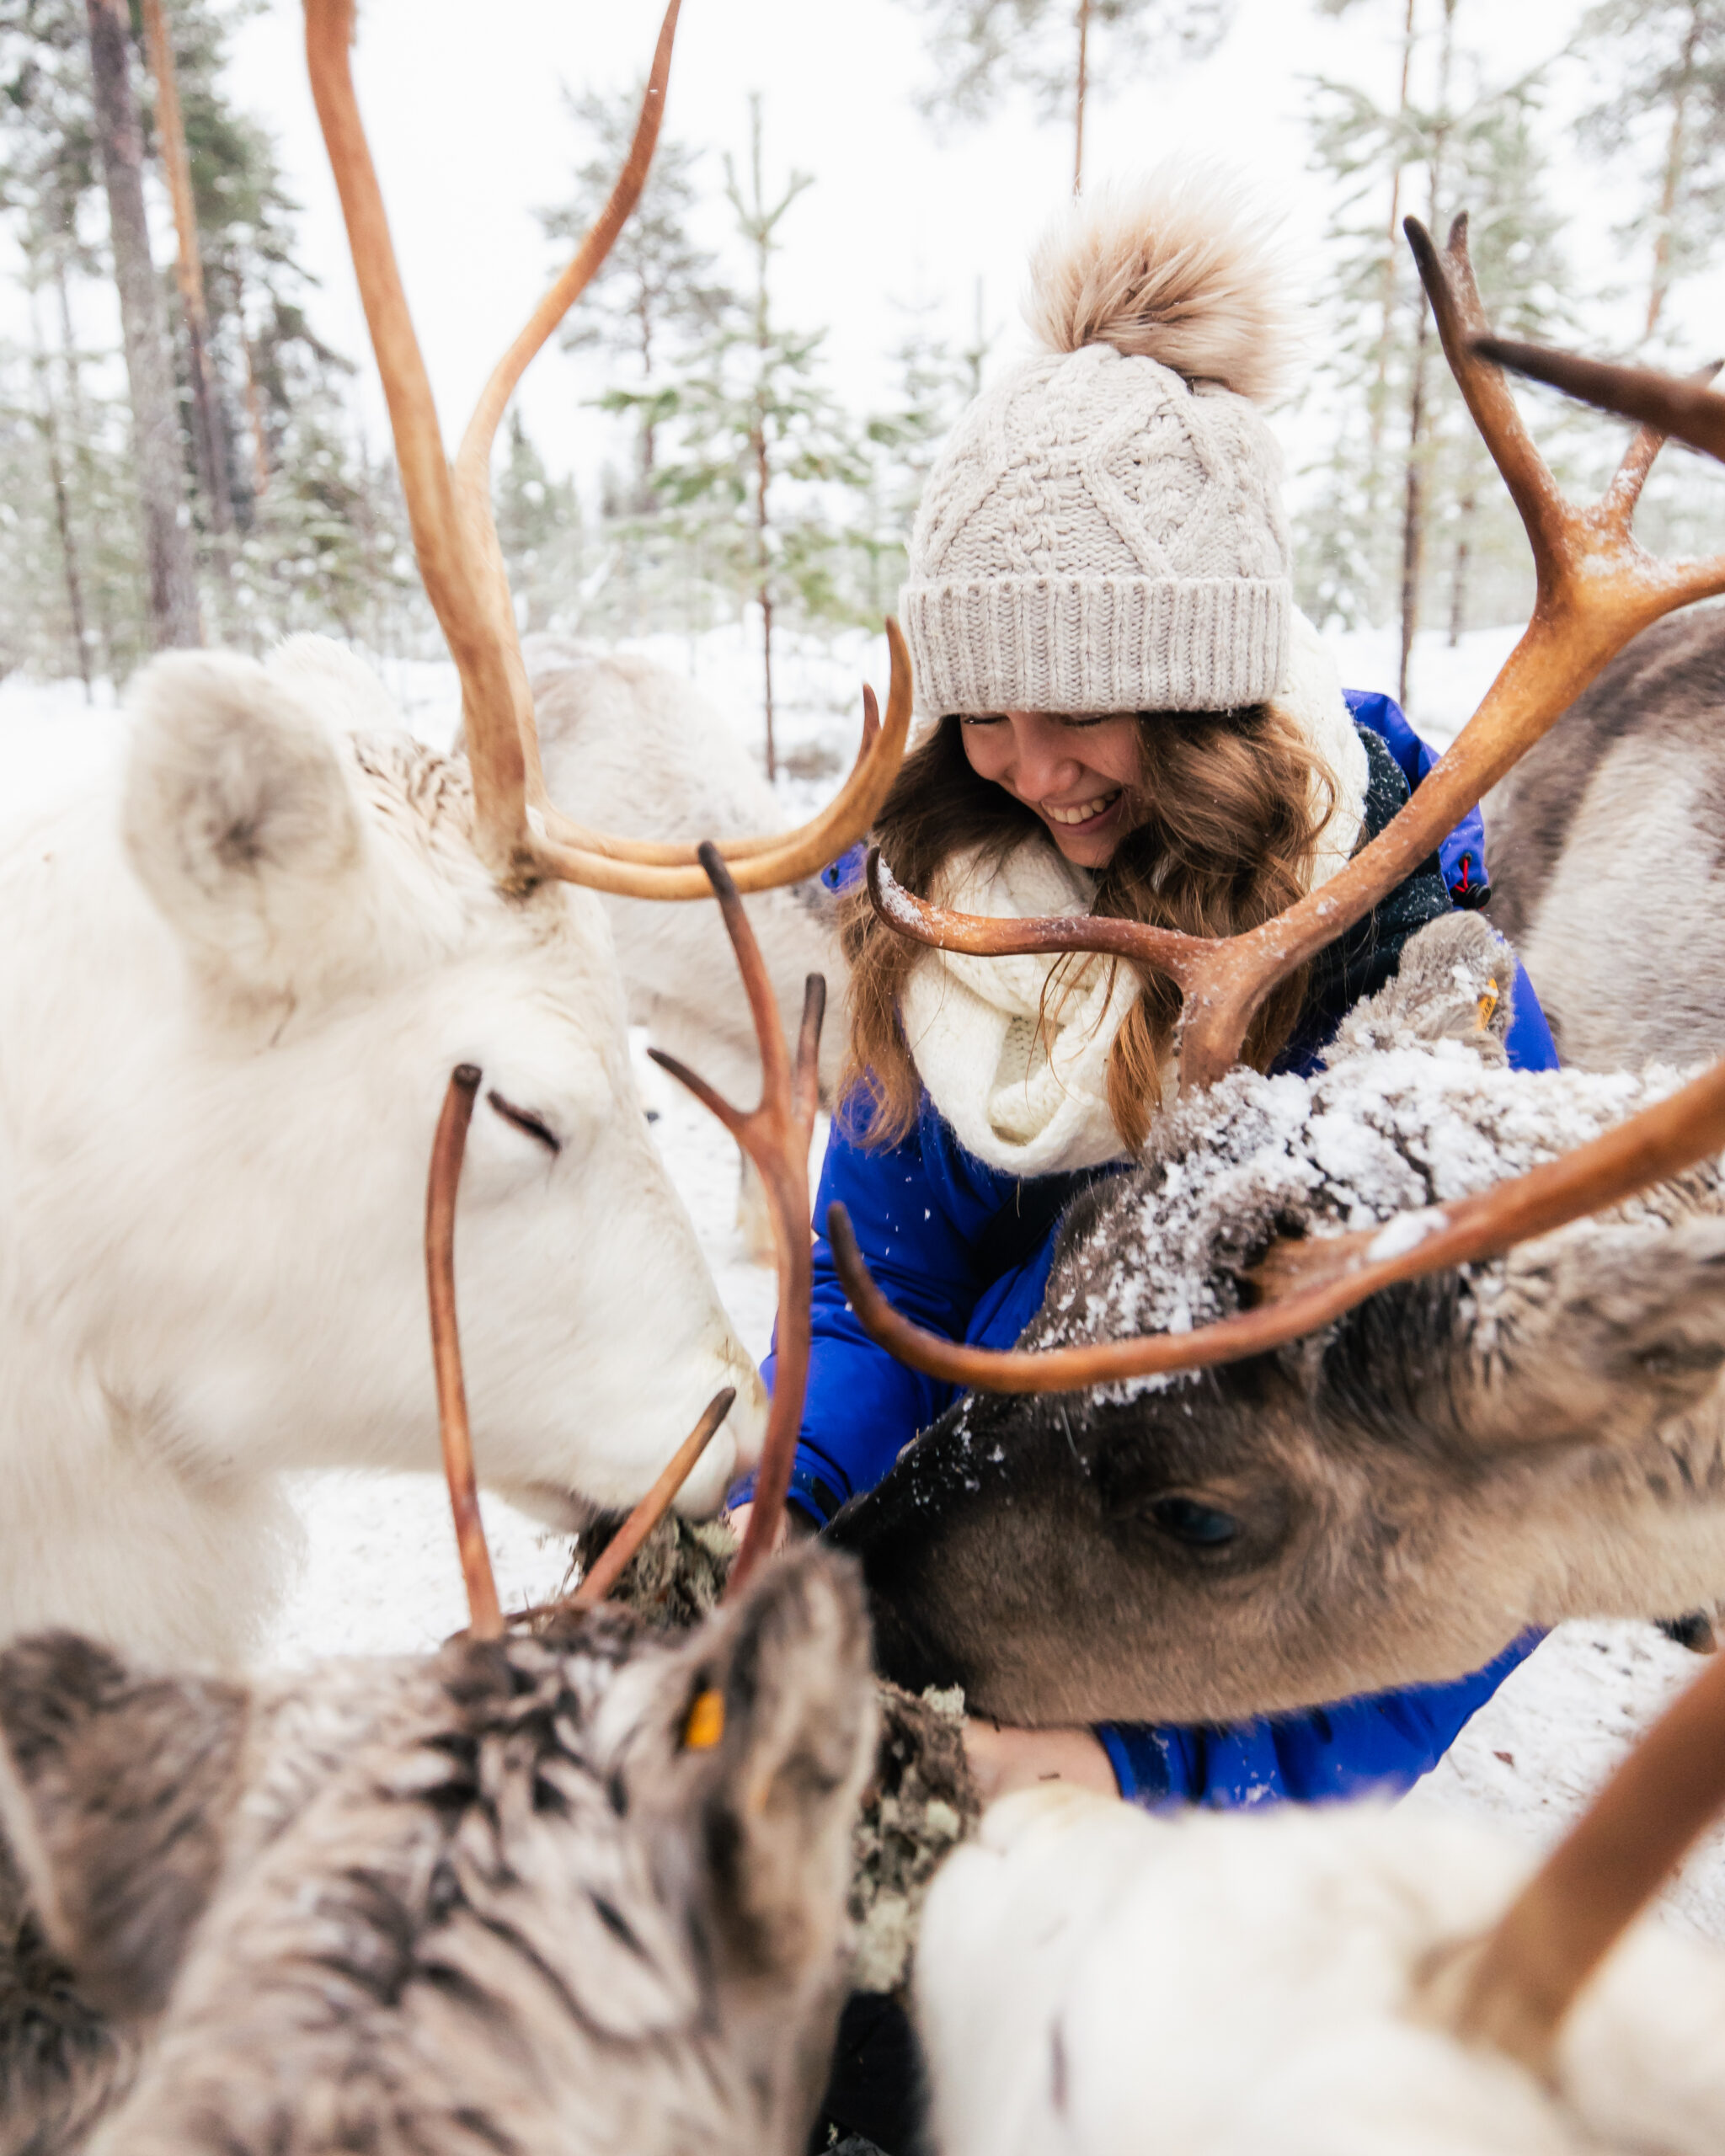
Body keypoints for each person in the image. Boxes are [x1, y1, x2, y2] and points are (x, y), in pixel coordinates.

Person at [731, 168, 1555, 1807]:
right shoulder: (944, 919)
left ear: (1206, 691)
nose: (1033, 771)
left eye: (1085, 702)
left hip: (1212, 1704)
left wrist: (1146, 1768)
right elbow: (861, 1288)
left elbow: (1489, 1513)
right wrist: (782, 1504)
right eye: (984, 707)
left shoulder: (1401, 975)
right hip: (956, 1582)